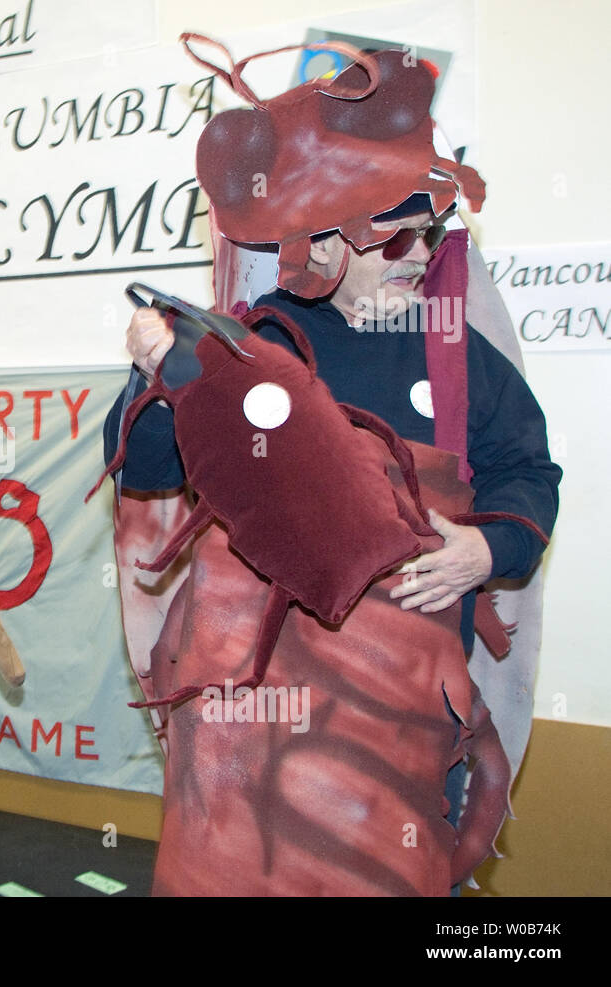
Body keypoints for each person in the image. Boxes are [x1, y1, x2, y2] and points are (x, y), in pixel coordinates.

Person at [104, 40, 560, 895]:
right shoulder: (249, 342)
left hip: (405, 744)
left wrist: (485, 551)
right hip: (249, 740)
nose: (423, 253)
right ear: (326, 239)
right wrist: (160, 373)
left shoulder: (458, 356)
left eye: (431, 233)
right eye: (399, 237)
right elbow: (149, 471)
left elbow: (530, 474)